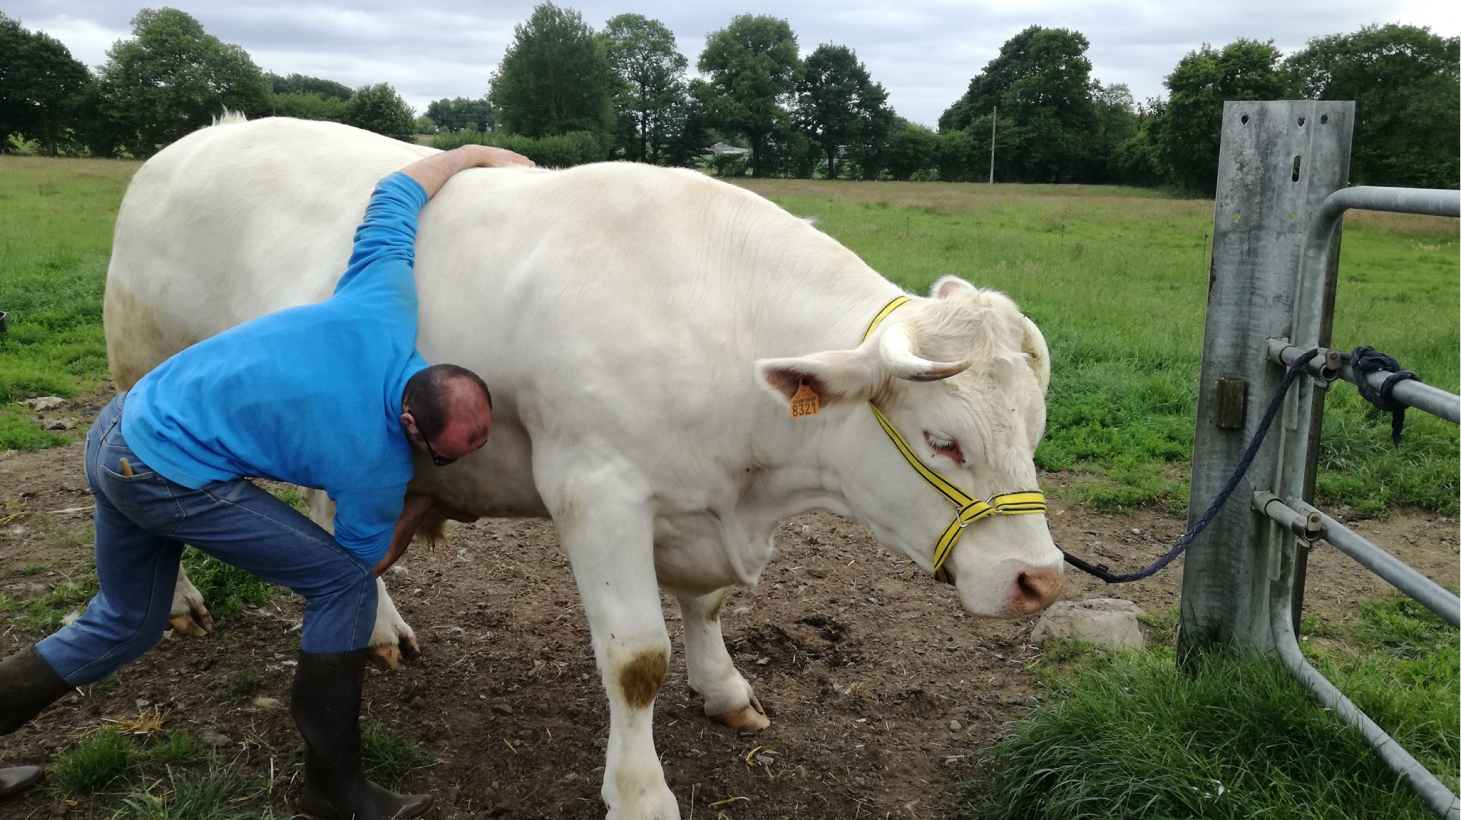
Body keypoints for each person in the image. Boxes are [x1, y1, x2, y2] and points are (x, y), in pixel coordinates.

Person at [0, 144, 533, 819]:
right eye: (447, 455)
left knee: (126, 623)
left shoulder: (381, 301)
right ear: (408, 418)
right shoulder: (375, 466)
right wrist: (424, 498)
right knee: (339, 585)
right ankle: (334, 790)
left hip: (120, 431)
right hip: (163, 473)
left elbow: (396, 194)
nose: (450, 465)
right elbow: (363, 562)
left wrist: (469, 154)